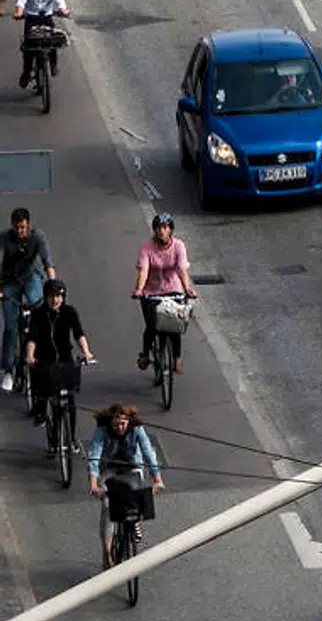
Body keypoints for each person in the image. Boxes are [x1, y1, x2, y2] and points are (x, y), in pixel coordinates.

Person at [86, 405, 162, 569]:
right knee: (107, 505)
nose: (119, 427)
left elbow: (148, 451)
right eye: (116, 424)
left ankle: (134, 522)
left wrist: (157, 478)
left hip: (132, 466)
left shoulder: (137, 429)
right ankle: (107, 551)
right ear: (110, 423)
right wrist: (93, 484)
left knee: (138, 493)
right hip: (110, 468)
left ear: (129, 422)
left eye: (123, 424)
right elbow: (94, 454)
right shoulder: (102, 430)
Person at [24, 282, 93, 433]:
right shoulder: (38, 314)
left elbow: (78, 334)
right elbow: (32, 338)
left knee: (70, 401)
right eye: (51, 297)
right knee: (42, 389)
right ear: (45, 297)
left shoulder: (69, 312)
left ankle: (72, 439)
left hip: (64, 358)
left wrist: (86, 352)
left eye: (58, 296)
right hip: (44, 358)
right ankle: (40, 411)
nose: (55, 300)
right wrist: (30, 356)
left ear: (63, 297)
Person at [133, 212, 196, 373]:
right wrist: (139, 290)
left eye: (165, 227)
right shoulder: (147, 248)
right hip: (151, 292)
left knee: (175, 323)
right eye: (159, 228)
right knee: (152, 326)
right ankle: (145, 354)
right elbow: (144, 271)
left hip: (173, 290)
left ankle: (177, 358)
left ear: (170, 230)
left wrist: (187, 289)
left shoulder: (178, 246)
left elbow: (182, 270)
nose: (162, 231)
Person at [0, 208, 55, 390]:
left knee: (39, 309)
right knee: (10, 326)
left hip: (31, 277)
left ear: (28, 225)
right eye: (17, 228)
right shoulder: (5, 237)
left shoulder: (37, 237)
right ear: (12, 226)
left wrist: (54, 286)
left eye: (23, 227)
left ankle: (40, 355)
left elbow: (48, 262)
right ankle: (8, 370)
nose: (20, 231)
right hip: (9, 280)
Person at [14, 0, 70, 93]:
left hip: (46, 18)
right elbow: (21, 0)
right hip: (31, 19)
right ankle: (26, 72)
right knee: (28, 47)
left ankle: (53, 64)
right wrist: (18, 12)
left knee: (52, 41)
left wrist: (64, 9)